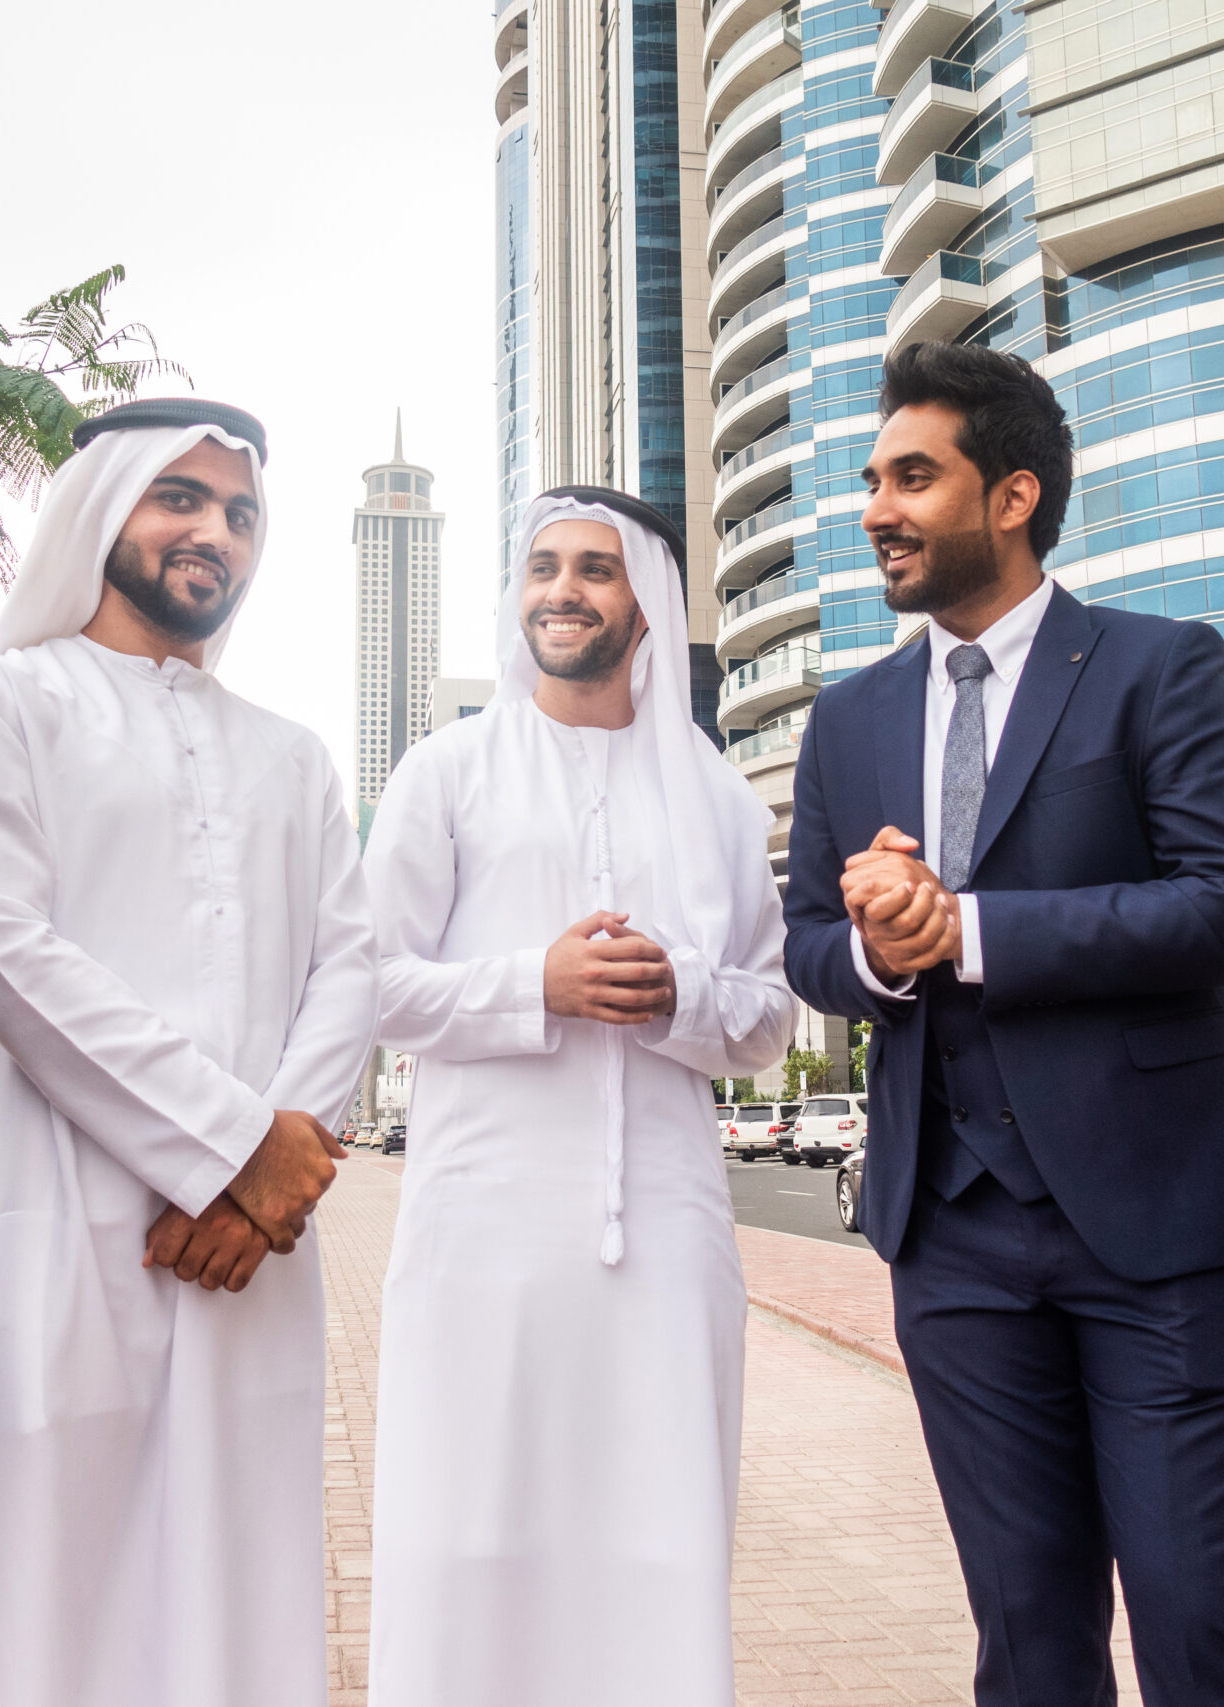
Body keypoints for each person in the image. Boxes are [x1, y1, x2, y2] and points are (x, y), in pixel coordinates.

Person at [782, 341, 1224, 1707]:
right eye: (870, 479)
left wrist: (975, 927)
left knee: (1203, 1625)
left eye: (910, 475)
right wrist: (886, 951)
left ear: (1011, 495)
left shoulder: (1158, 667)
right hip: (947, 1232)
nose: (875, 507)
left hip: (1162, 1226)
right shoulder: (847, 720)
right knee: (1026, 1636)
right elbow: (808, 946)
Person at [0, 397, 377, 1707]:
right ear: (100, 510)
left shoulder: (296, 757)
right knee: (32, 1596)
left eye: (240, 512)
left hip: (249, 1249)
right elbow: (5, 951)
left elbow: (353, 964)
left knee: (239, 1589)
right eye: (179, 497)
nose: (211, 530)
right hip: (55, 1218)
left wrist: (277, 1168)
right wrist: (239, 1147)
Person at [361, 486, 796, 1705]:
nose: (562, 589)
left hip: (667, 1239)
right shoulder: (448, 770)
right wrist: (533, 984)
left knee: (661, 1543)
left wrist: (676, 997)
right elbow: (368, 982)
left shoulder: (716, 799)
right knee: (465, 1538)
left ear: (647, 604)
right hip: (480, 1229)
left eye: (595, 569)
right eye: (543, 566)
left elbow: (765, 1019)